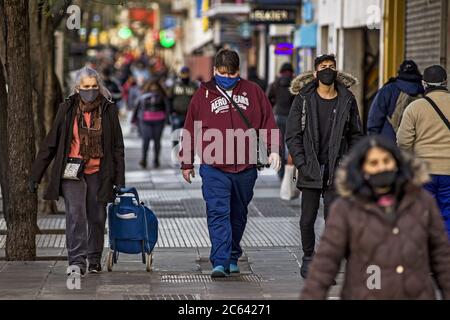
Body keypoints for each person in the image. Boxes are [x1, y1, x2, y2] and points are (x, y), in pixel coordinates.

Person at [301, 135, 450, 300]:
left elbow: (442, 257)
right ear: (362, 170)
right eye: (373, 163)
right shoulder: (346, 209)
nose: (381, 168)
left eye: (387, 161)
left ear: (397, 163)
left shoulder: (422, 202)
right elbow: (325, 264)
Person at [180, 49, 282, 277]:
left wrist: (273, 149)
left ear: (239, 71)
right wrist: (186, 162)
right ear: (214, 70)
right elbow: (189, 129)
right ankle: (220, 260)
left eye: (232, 72)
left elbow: (268, 122)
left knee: (238, 214)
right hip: (214, 167)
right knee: (218, 212)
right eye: (222, 72)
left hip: (245, 167)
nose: (227, 76)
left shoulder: (253, 91)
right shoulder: (202, 95)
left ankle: (233, 254)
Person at [29, 67, 125, 277]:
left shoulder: (108, 110)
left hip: (99, 172)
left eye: (93, 86)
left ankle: (93, 259)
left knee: (97, 217)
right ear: (77, 87)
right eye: (85, 87)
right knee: (75, 216)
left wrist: (119, 179)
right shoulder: (67, 108)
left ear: (98, 87)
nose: (89, 91)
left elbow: (117, 147)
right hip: (71, 172)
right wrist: (35, 176)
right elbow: (51, 143)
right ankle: (77, 261)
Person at [286, 54, 364, 279]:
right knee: (307, 218)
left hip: (336, 170)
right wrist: (301, 162)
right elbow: (292, 135)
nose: (327, 70)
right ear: (315, 73)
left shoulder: (347, 99)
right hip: (310, 168)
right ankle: (308, 257)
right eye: (323, 67)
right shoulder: (303, 98)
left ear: (336, 71)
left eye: (331, 67)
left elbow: (356, 134)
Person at [398, 65, 450, 238]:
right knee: (447, 217)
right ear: (446, 82)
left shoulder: (414, 107)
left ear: (424, 83)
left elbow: (403, 142)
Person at [367, 60, 424, 141]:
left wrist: (373, 141)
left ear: (400, 72)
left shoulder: (388, 89)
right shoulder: (424, 91)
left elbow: (374, 118)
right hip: (415, 143)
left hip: (389, 143)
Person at [267, 62, 295, 180]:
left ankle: (280, 172)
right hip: (291, 118)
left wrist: (274, 107)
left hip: (277, 116)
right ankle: (290, 171)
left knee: (279, 145)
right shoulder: (294, 85)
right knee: (291, 144)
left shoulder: (275, 84)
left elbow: (267, 99)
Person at [132, 80, 168, 169]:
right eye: (152, 87)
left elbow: (166, 108)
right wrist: (134, 119)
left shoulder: (162, 96)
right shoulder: (143, 95)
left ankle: (156, 159)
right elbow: (137, 107)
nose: (153, 89)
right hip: (145, 120)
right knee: (146, 140)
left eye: (155, 87)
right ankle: (144, 159)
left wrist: (167, 119)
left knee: (157, 140)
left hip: (159, 120)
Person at [169, 66, 198, 146]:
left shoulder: (194, 85)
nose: (184, 75)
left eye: (186, 73)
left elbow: (198, 100)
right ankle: (175, 152)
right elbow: (170, 98)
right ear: (180, 74)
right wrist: (171, 111)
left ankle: (187, 154)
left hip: (189, 115)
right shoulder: (175, 85)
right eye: (183, 74)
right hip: (177, 113)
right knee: (176, 135)